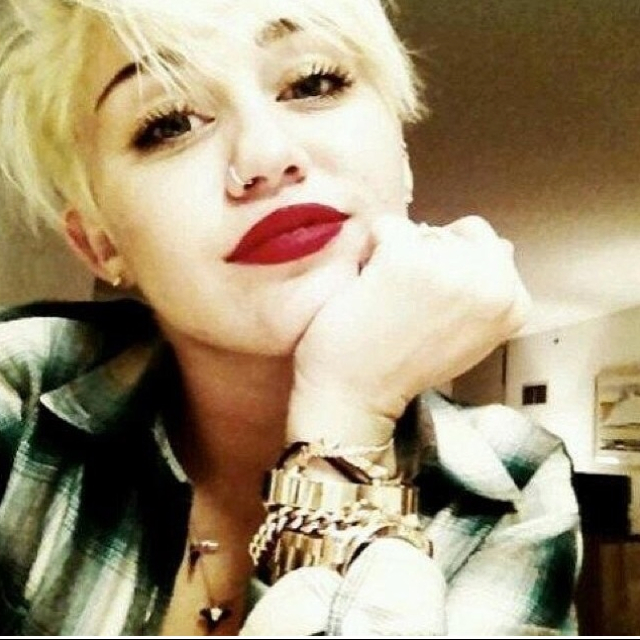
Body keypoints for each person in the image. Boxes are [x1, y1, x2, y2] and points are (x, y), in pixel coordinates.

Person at [0, 0, 580, 635]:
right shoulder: (18, 394)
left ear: (402, 158)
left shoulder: (512, 482)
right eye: (169, 124)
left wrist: (344, 413)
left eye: (312, 83)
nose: (266, 155)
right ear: (100, 245)